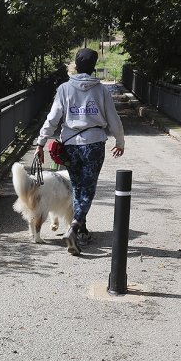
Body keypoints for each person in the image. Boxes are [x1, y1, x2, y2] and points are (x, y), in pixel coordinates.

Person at [35, 47, 125, 255]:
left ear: (76, 65)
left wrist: (40, 143)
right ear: (94, 67)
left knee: (77, 186)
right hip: (94, 144)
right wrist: (119, 141)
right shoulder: (101, 90)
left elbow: (53, 118)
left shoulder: (64, 89)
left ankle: (81, 230)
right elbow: (113, 119)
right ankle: (74, 228)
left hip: (70, 144)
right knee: (88, 188)